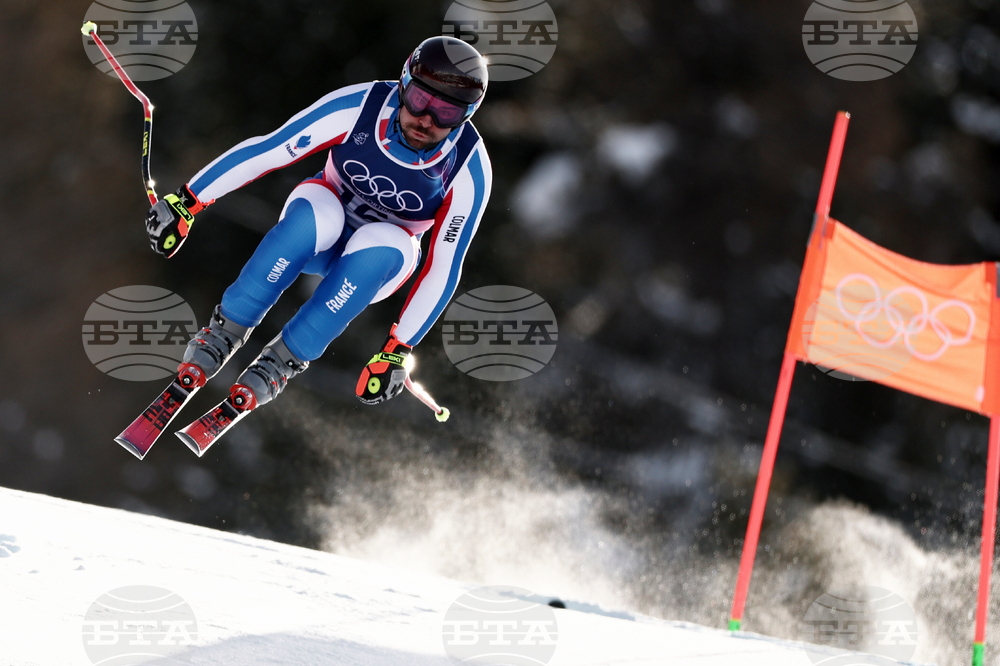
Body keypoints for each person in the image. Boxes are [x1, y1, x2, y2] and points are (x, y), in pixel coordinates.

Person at [144, 36, 492, 414]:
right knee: (316, 218)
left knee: (383, 242)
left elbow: (444, 265)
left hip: (381, 261)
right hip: (323, 225)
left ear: (465, 116)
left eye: (446, 113)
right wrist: (188, 201)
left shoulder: (468, 168)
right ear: (404, 85)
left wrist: (398, 349)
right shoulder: (361, 106)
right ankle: (223, 332)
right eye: (421, 100)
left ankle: (280, 364)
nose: (426, 120)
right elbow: (270, 149)